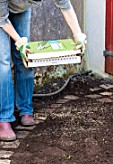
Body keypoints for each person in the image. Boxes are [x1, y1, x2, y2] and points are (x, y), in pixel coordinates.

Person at [0, 0, 86, 141]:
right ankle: (4, 119)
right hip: (1, 13)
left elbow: (65, 6)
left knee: (26, 57)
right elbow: (2, 18)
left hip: (21, 10)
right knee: (3, 61)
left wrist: (78, 34)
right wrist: (19, 41)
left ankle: (25, 109)